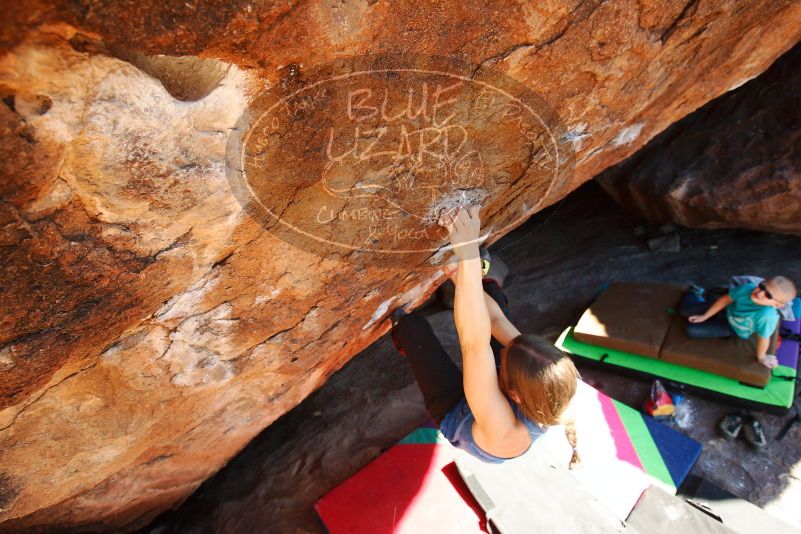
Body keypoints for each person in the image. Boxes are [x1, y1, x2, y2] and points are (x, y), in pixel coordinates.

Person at [391, 205, 580, 466]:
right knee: (494, 305)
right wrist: (462, 277)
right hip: (509, 387)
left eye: (504, 357)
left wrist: (467, 251)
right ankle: (481, 282)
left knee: (413, 327)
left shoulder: (503, 429)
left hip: (456, 412)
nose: (502, 348)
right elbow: (493, 321)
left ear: (513, 393)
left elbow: (475, 344)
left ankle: (402, 333)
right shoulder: (548, 377)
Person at [680, 276, 797, 369]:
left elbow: (764, 338)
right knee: (684, 310)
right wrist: (704, 316)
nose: (759, 293)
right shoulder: (747, 289)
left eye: (768, 295)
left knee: (692, 330)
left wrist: (762, 357)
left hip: (733, 328)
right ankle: (695, 292)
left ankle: (714, 322)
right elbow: (725, 300)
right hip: (726, 311)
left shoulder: (767, 317)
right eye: (762, 286)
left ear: (777, 305)